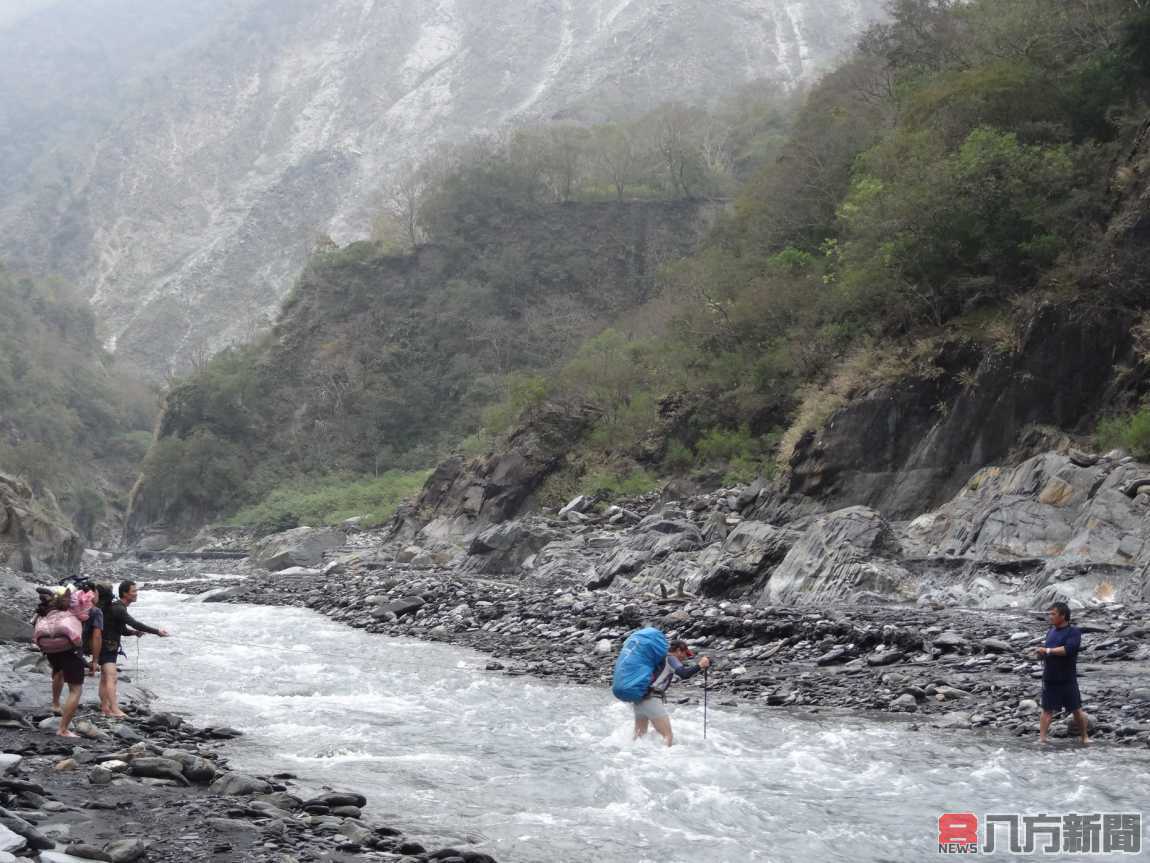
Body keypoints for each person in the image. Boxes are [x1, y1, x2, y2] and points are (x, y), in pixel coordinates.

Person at [99, 580, 169, 718]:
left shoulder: (117, 607)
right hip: (108, 646)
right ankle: (114, 709)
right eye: (134, 591)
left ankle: (105, 708)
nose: (136, 594)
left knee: (105, 678)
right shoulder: (119, 608)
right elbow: (135, 623)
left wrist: (133, 633)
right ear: (125, 593)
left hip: (106, 645)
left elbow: (121, 629)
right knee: (111, 678)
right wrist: (157, 632)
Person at [633, 639, 711, 747]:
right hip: (651, 699)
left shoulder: (659, 658)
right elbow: (684, 674)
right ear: (679, 650)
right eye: (684, 654)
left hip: (639, 698)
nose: (684, 658)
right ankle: (664, 761)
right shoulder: (671, 658)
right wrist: (700, 665)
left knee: (639, 736)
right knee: (667, 735)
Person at [32, 590, 86, 738]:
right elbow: (77, 640)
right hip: (70, 652)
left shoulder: (47, 613)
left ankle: (55, 704)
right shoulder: (71, 615)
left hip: (51, 652)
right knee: (75, 690)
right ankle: (63, 729)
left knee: (58, 672)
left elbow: (36, 637)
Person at [1037, 601, 1088, 744]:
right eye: (1050, 614)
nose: (1050, 616)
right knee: (1047, 710)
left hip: (1067, 678)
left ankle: (1084, 737)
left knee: (1076, 710)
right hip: (1050, 677)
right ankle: (1042, 739)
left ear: (1063, 616)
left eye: (1053, 614)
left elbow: (1069, 650)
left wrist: (1047, 651)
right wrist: (1041, 655)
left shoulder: (1074, 632)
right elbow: (1049, 651)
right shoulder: (1051, 631)